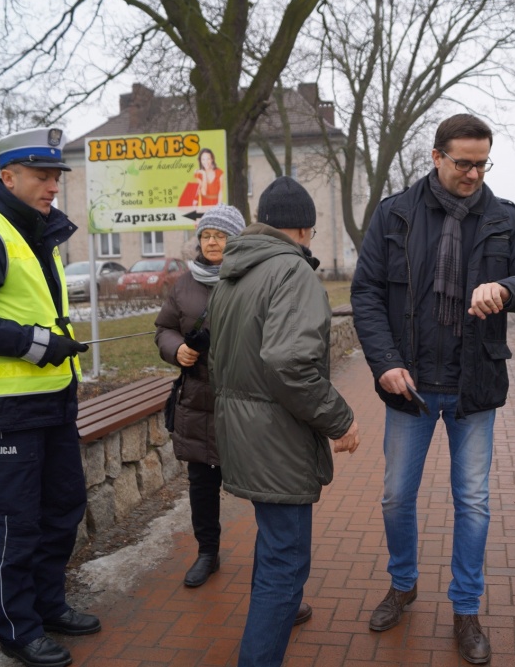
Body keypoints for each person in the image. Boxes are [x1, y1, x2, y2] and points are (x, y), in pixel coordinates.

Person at [350, 114, 515, 664]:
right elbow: (367, 292)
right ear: (437, 157)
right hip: (410, 386)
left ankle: (466, 609)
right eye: (463, 162)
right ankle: (403, 584)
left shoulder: (503, 218)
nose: (473, 173)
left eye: (482, 162)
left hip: (474, 385)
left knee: (472, 503)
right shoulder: (394, 214)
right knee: (397, 496)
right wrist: (384, 363)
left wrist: (510, 288)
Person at [0, 127, 99, 667]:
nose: (53, 185)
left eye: (56, 176)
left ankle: (49, 607)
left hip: (54, 399)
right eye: (41, 175)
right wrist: (36, 344)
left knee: (62, 509)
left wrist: (54, 348)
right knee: (14, 523)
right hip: (10, 409)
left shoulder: (36, 231)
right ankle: (17, 630)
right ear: (8, 176)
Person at [208, 175, 361, 667]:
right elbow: (290, 364)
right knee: (286, 563)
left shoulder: (234, 272)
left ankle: (280, 613)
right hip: (277, 441)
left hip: (244, 435)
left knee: (273, 544)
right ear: (302, 230)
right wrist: (340, 420)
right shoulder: (290, 272)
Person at [154, 205, 244, 588]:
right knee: (202, 484)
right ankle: (208, 552)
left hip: (244, 401)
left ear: (235, 241)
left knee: (264, 485)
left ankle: (276, 567)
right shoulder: (184, 284)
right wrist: (176, 349)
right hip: (199, 400)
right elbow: (163, 328)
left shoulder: (250, 277)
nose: (211, 241)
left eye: (220, 235)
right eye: (207, 234)